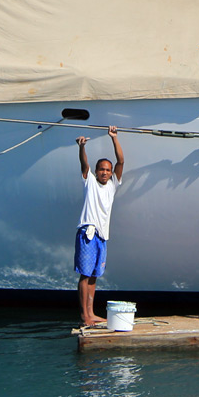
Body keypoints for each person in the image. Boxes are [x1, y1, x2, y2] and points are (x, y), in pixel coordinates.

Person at [74, 126, 124, 327]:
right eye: (101, 169)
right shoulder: (90, 182)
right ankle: (84, 315)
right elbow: (83, 164)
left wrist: (114, 138)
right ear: (96, 172)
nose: (104, 172)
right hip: (88, 232)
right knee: (85, 275)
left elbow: (121, 161)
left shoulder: (112, 185)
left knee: (95, 275)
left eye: (107, 170)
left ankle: (91, 312)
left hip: (103, 235)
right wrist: (82, 148)